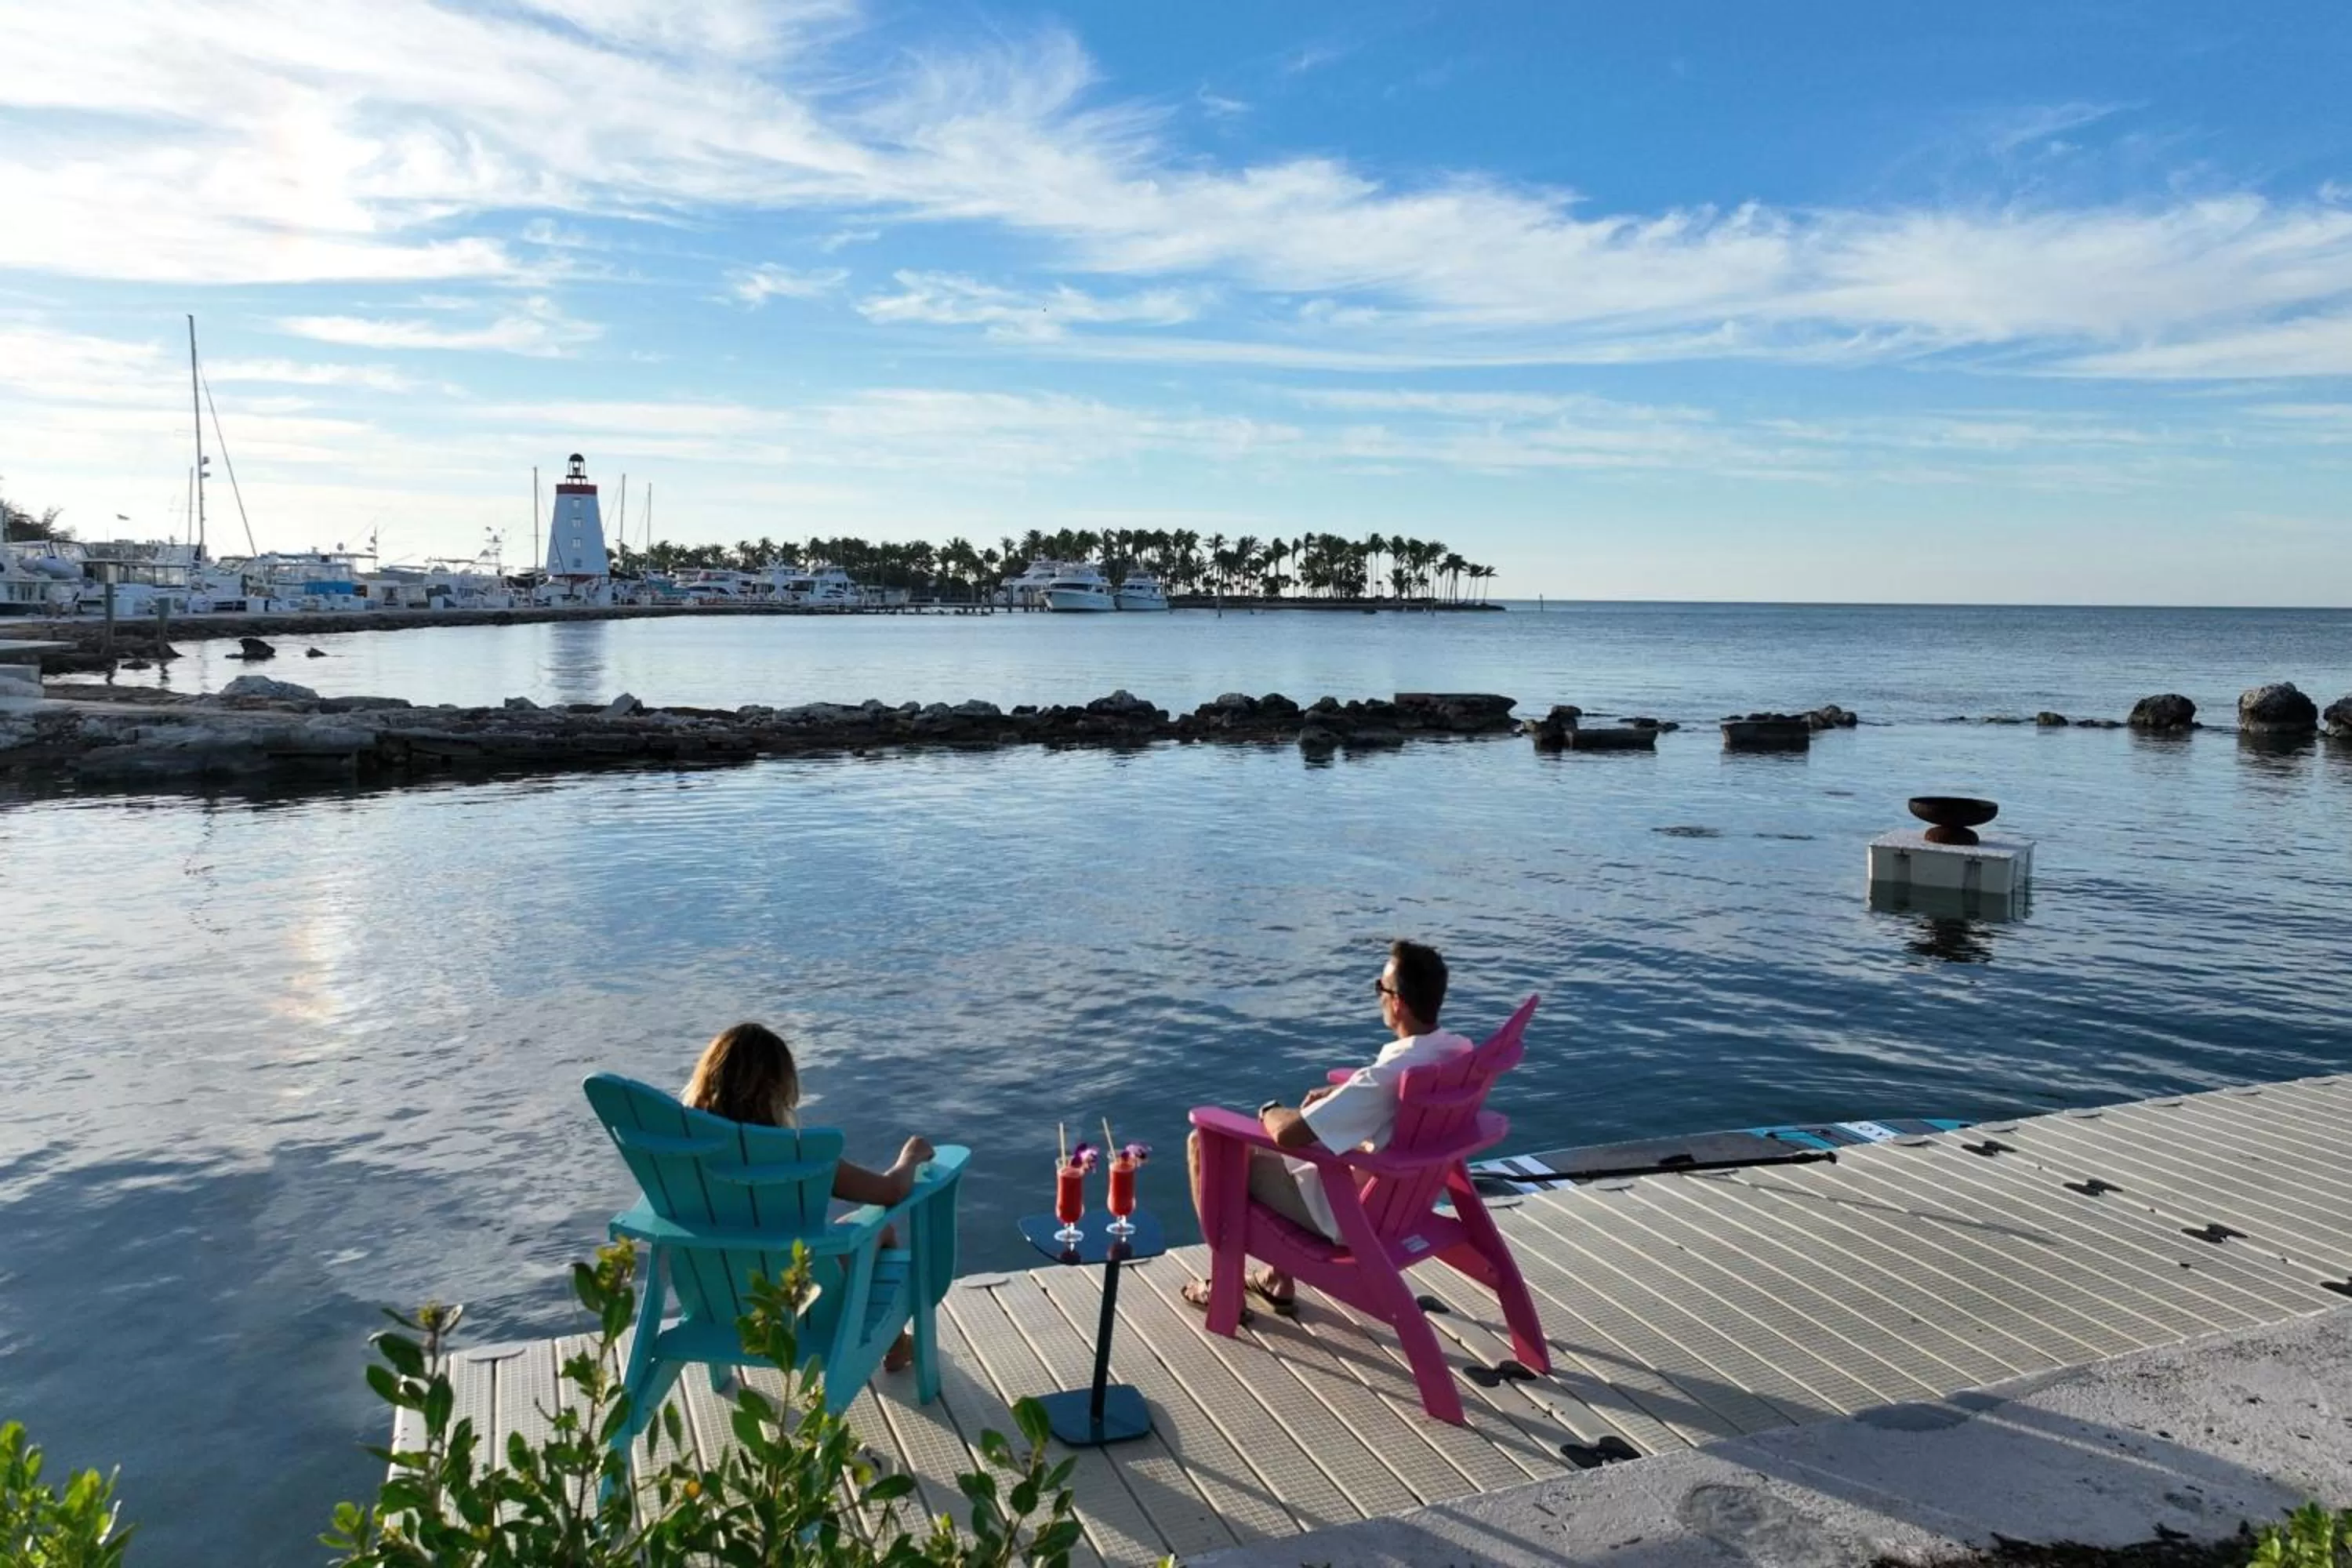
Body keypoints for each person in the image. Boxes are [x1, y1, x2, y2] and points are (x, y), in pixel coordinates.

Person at [1183, 940, 1472, 1316]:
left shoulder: (1385, 1078)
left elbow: (1290, 1134)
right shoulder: (1456, 1053)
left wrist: (1270, 1110)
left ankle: (1224, 1290)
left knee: (1206, 1146)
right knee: (1318, 1138)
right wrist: (1345, 1092)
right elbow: (1385, 1094)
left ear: (1397, 1002)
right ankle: (1275, 1279)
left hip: (1347, 1213)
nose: (1379, 997)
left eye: (1379, 989)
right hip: (1402, 1204)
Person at [682, 1021, 934, 1370]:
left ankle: (898, 1344)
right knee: (881, 1228)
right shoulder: (803, 1154)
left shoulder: (682, 1155)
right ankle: (898, 1344)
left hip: (715, 1297)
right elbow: (891, 1191)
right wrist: (911, 1157)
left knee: (840, 1233)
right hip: (803, 1304)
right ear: (777, 1088)